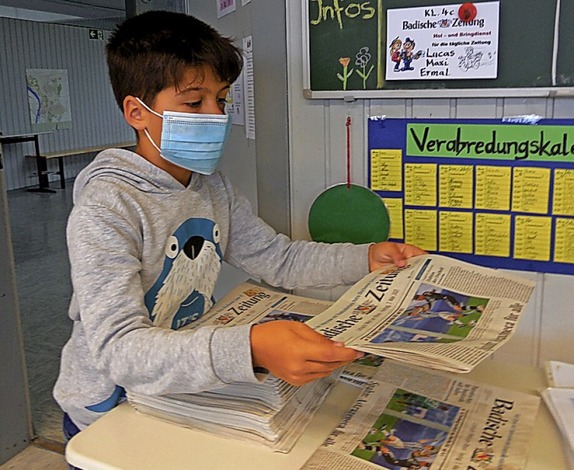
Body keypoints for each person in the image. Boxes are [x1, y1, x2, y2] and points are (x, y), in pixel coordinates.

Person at [53, 10, 425, 441]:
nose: (215, 115)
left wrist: (366, 257)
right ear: (136, 112)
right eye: (194, 102)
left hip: (181, 390)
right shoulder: (107, 206)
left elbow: (277, 258)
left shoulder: (212, 187)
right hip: (109, 411)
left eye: (222, 99)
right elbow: (118, 350)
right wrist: (250, 348)